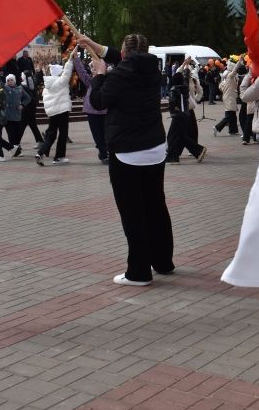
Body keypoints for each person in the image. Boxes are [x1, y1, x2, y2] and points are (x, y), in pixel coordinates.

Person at [80, 32, 174, 286]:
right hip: (155, 148)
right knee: (156, 206)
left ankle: (139, 272)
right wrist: (93, 45)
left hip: (127, 152)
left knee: (133, 213)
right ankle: (163, 262)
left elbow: (98, 102)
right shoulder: (153, 69)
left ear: (123, 53)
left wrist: (99, 75)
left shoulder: (119, 75)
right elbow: (124, 59)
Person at [35, 57, 75, 165]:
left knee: (51, 134)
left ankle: (41, 153)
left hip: (52, 113)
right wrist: (70, 60)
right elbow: (67, 73)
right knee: (63, 134)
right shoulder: (60, 81)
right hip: (62, 111)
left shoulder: (47, 86)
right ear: (59, 73)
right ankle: (59, 157)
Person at [74, 49, 109, 164]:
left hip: (104, 112)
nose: (93, 71)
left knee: (105, 134)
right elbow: (82, 72)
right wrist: (76, 59)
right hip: (91, 112)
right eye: (92, 69)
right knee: (97, 135)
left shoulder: (107, 81)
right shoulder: (91, 81)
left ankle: (104, 151)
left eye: (95, 68)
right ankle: (104, 154)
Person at [165, 69, 207, 163]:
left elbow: (171, 103)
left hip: (177, 115)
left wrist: (172, 112)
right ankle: (197, 151)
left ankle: (174, 157)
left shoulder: (174, 89)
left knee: (172, 136)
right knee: (180, 136)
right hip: (186, 114)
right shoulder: (185, 88)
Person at [2, 74, 30, 157]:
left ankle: (16, 149)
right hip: (8, 115)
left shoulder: (20, 89)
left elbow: (28, 98)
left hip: (17, 115)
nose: (10, 82)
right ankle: (14, 151)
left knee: (18, 133)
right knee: (11, 134)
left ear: (14, 81)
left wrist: (23, 105)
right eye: (8, 80)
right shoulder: (5, 88)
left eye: (11, 80)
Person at [214, 58, 240, 136]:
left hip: (228, 96)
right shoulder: (229, 75)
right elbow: (234, 71)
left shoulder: (225, 77)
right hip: (230, 97)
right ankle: (217, 127)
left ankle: (233, 130)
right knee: (229, 115)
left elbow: (220, 86)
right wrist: (239, 62)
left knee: (232, 114)